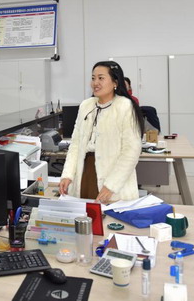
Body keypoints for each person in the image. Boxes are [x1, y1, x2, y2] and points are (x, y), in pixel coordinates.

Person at [59, 61, 144, 203]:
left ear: (115, 82)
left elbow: (131, 151)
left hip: (114, 180)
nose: (95, 83)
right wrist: (67, 175)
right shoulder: (86, 106)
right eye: (93, 78)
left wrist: (111, 186)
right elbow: (75, 144)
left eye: (101, 78)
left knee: (110, 216)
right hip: (85, 174)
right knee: (86, 214)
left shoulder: (125, 106)